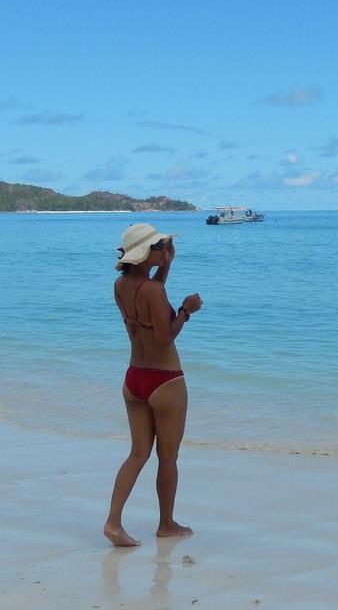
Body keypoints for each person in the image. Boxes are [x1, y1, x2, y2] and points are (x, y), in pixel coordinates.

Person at [104, 223, 202, 547]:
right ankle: (166, 524)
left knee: (137, 453)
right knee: (168, 457)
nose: (165, 249)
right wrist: (187, 310)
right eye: (161, 246)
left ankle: (113, 522)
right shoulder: (153, 290)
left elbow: (148, 304)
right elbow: (164, 337)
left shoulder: (122, 285)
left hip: (135, 378)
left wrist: (167, 267)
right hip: (165, 380)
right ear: (147, 252)